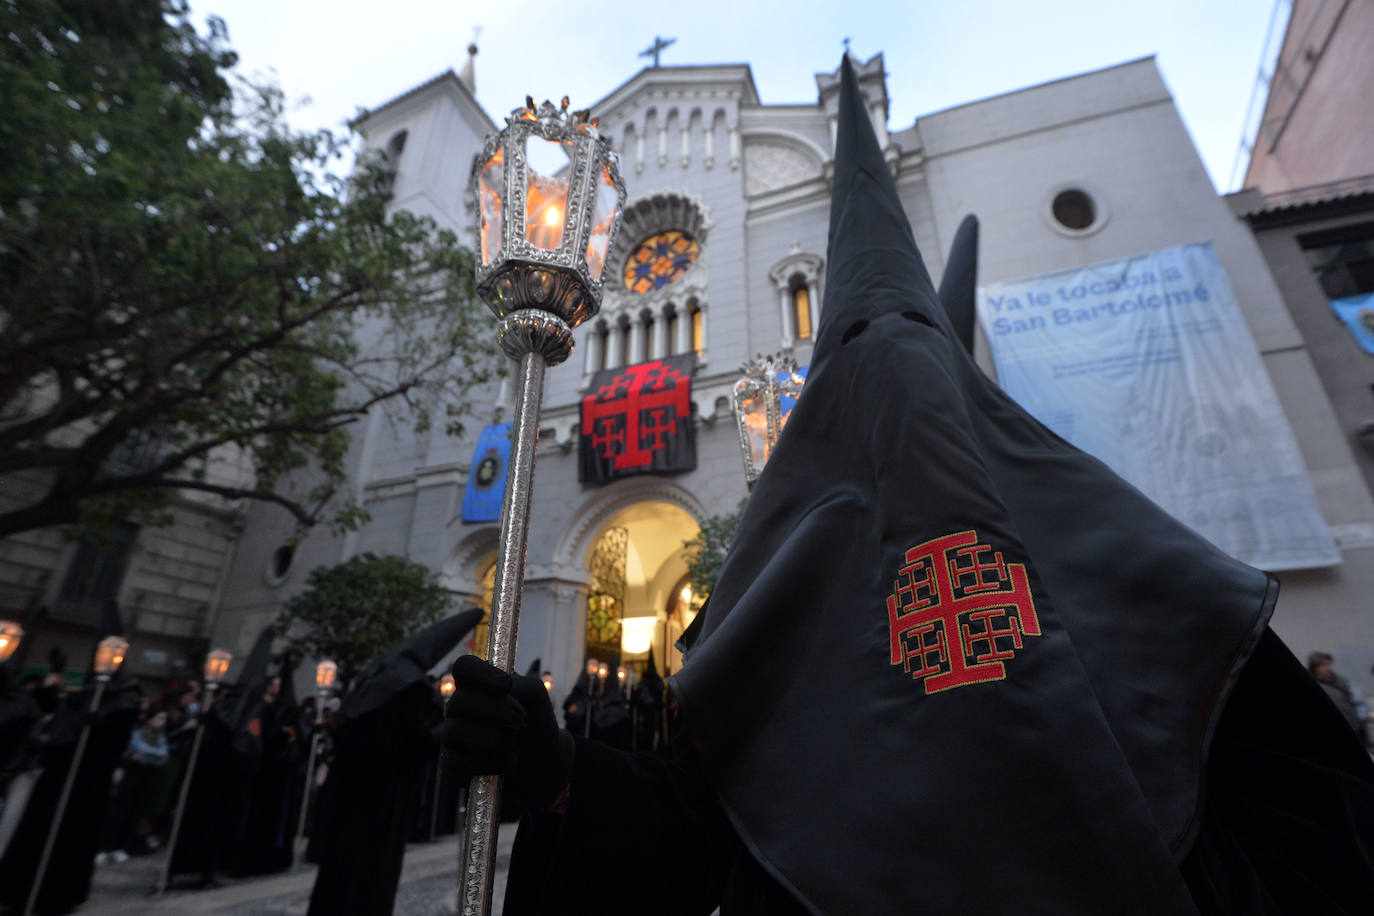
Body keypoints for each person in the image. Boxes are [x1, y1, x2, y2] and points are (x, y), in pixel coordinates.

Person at [443, 56, 1374, 916]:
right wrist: (563, 772)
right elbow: (702, 830)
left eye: (920, 369)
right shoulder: (774, 607)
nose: (893, 398)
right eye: (856, 371)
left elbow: (1312, 831)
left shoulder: (1144, 570)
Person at [1309, 652, 1364, 734]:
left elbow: (1355, 700)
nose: (1326, 668)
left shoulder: (1340, 681)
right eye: (1322, 665)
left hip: (1353, 724)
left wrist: (1360, 716)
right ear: (1314, 667)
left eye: (1328, 664)